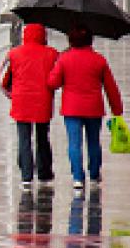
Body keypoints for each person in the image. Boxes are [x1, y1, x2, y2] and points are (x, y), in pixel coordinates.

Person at [47, 25, 124, 190]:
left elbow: (53, 83)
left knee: (74, 144)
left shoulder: (65, 59)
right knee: (94, 143)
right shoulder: (99, 60)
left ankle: (77, 177)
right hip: (93, 108)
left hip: (71, 109)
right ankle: (94, 174)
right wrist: (117, 110)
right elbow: (111, 87)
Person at [1, 23, 60, 189]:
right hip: (43, 101)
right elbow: (58, 77)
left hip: (21, 102)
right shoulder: (52, 54)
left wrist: (11, 94)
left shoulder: (13, 54)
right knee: (43, 137)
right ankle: (44, 171)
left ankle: (26, 176)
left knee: (24, 138)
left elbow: (2, 77)